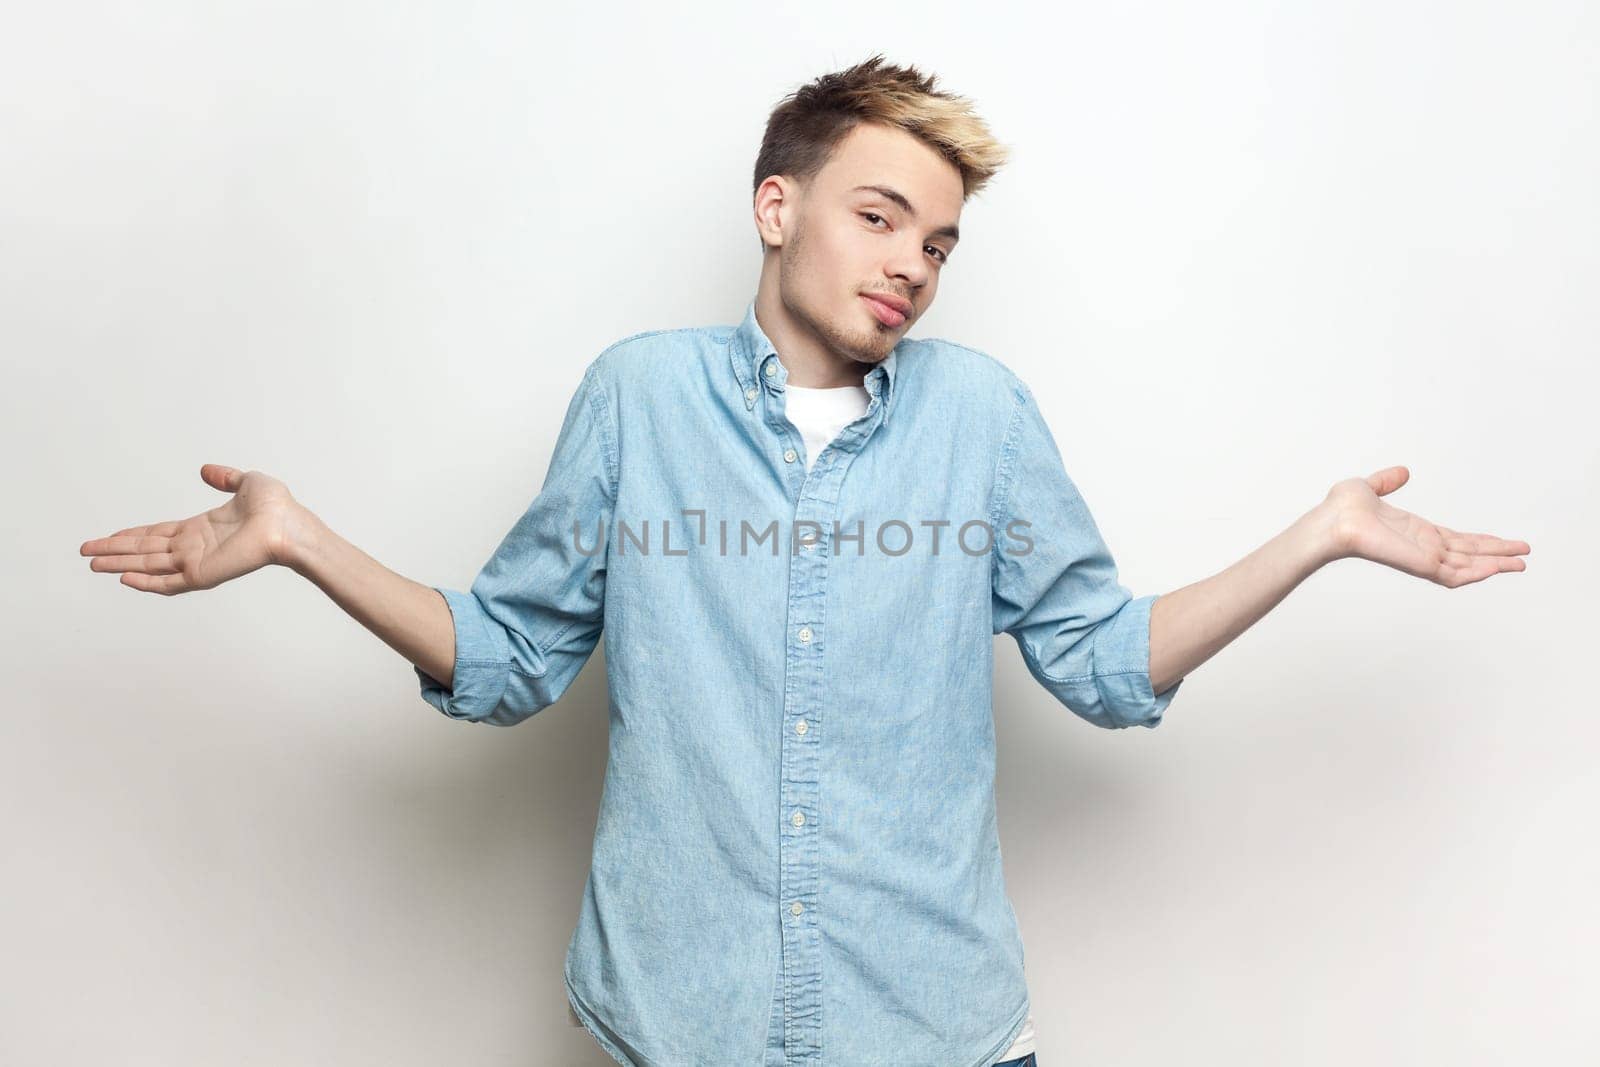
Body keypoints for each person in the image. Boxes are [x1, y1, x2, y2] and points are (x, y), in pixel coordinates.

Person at [78, 54, 1529, 1067]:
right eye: (879, 215)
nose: (911, 263)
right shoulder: (640, 398)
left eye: (941, 244)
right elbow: (512, 655)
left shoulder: (981, 417)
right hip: (682, 1029)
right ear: (780, 208)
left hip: (935, 1031)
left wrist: (1320, 535)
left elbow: (1102, 662)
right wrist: (302, 540)